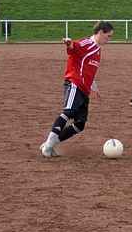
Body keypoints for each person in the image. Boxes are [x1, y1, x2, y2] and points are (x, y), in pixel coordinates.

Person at [40, 21, 114, 158]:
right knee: (68, 111)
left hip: (84, 89)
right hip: (74, 83)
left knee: (80, 124)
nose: (109, 39)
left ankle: (49, 144)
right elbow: (75, 46)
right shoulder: (88, 43)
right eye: (108, 36)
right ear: (100, 32)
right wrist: (69, 43)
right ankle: (49, 146)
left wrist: (94, 87)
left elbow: (89, 71)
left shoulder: (98, 50)